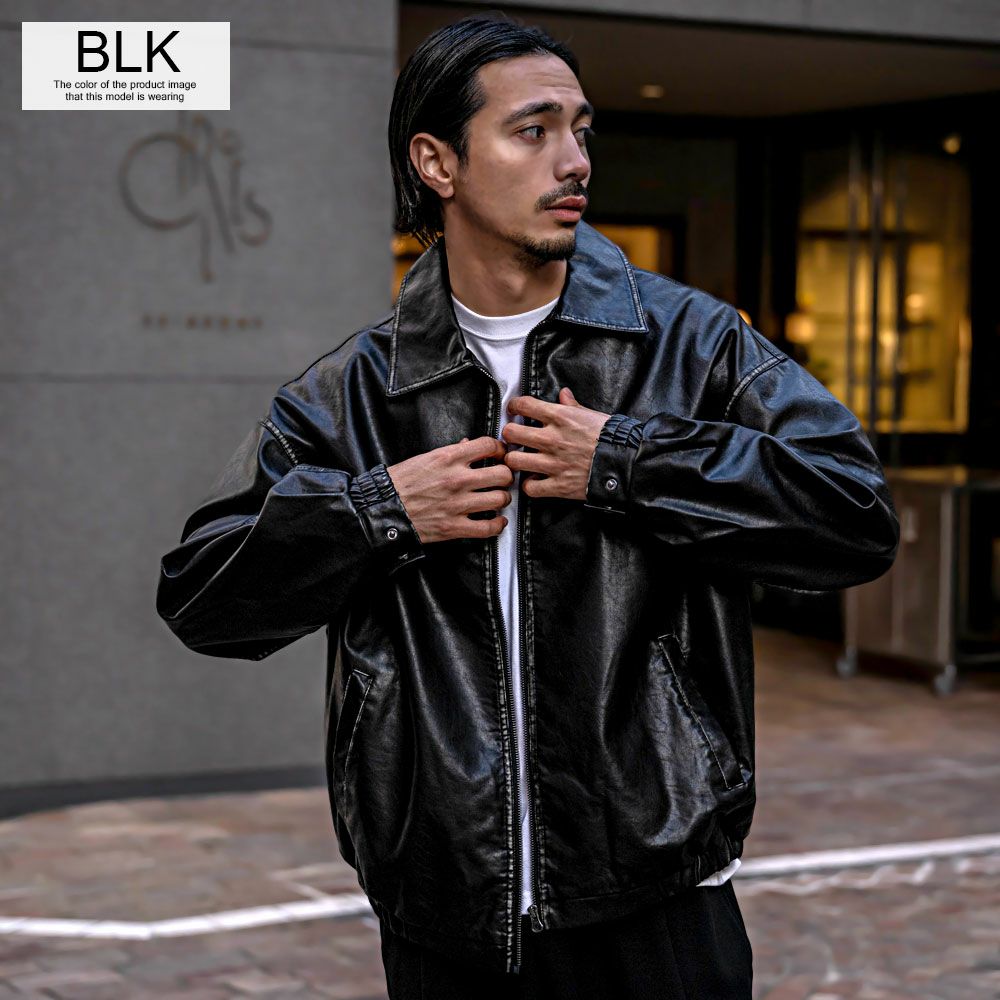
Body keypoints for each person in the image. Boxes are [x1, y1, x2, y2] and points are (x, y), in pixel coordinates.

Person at [156, 13, 900, 998]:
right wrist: (379, 511)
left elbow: (856, 515)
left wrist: (629, 461)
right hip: (442, 908)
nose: (574, 160)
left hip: (657, 895)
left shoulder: (692, 344)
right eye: (533, 130)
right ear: (437, 162)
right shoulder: (354, 393)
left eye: (581, 130)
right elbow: (204, 598)